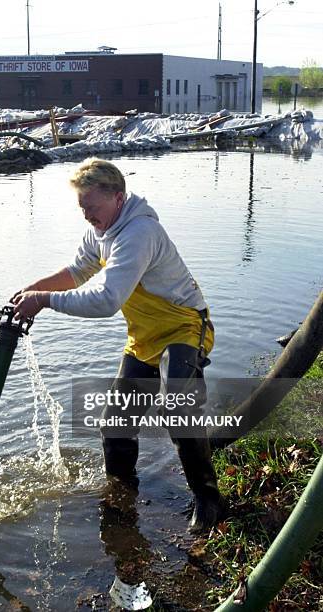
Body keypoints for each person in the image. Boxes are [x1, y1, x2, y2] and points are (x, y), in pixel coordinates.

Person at [11, 157, 227, 533]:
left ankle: (209, 500)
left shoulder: (138, 233)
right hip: (144, 337)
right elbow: (78, 272)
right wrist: (31, 290)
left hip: (183, 328)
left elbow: (107, 301)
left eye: (91, 207)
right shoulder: (102, 229)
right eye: (82, 208)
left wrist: (45, 301)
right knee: (115, 423)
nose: (87, 216)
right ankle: (121, 491)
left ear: (118, 197)